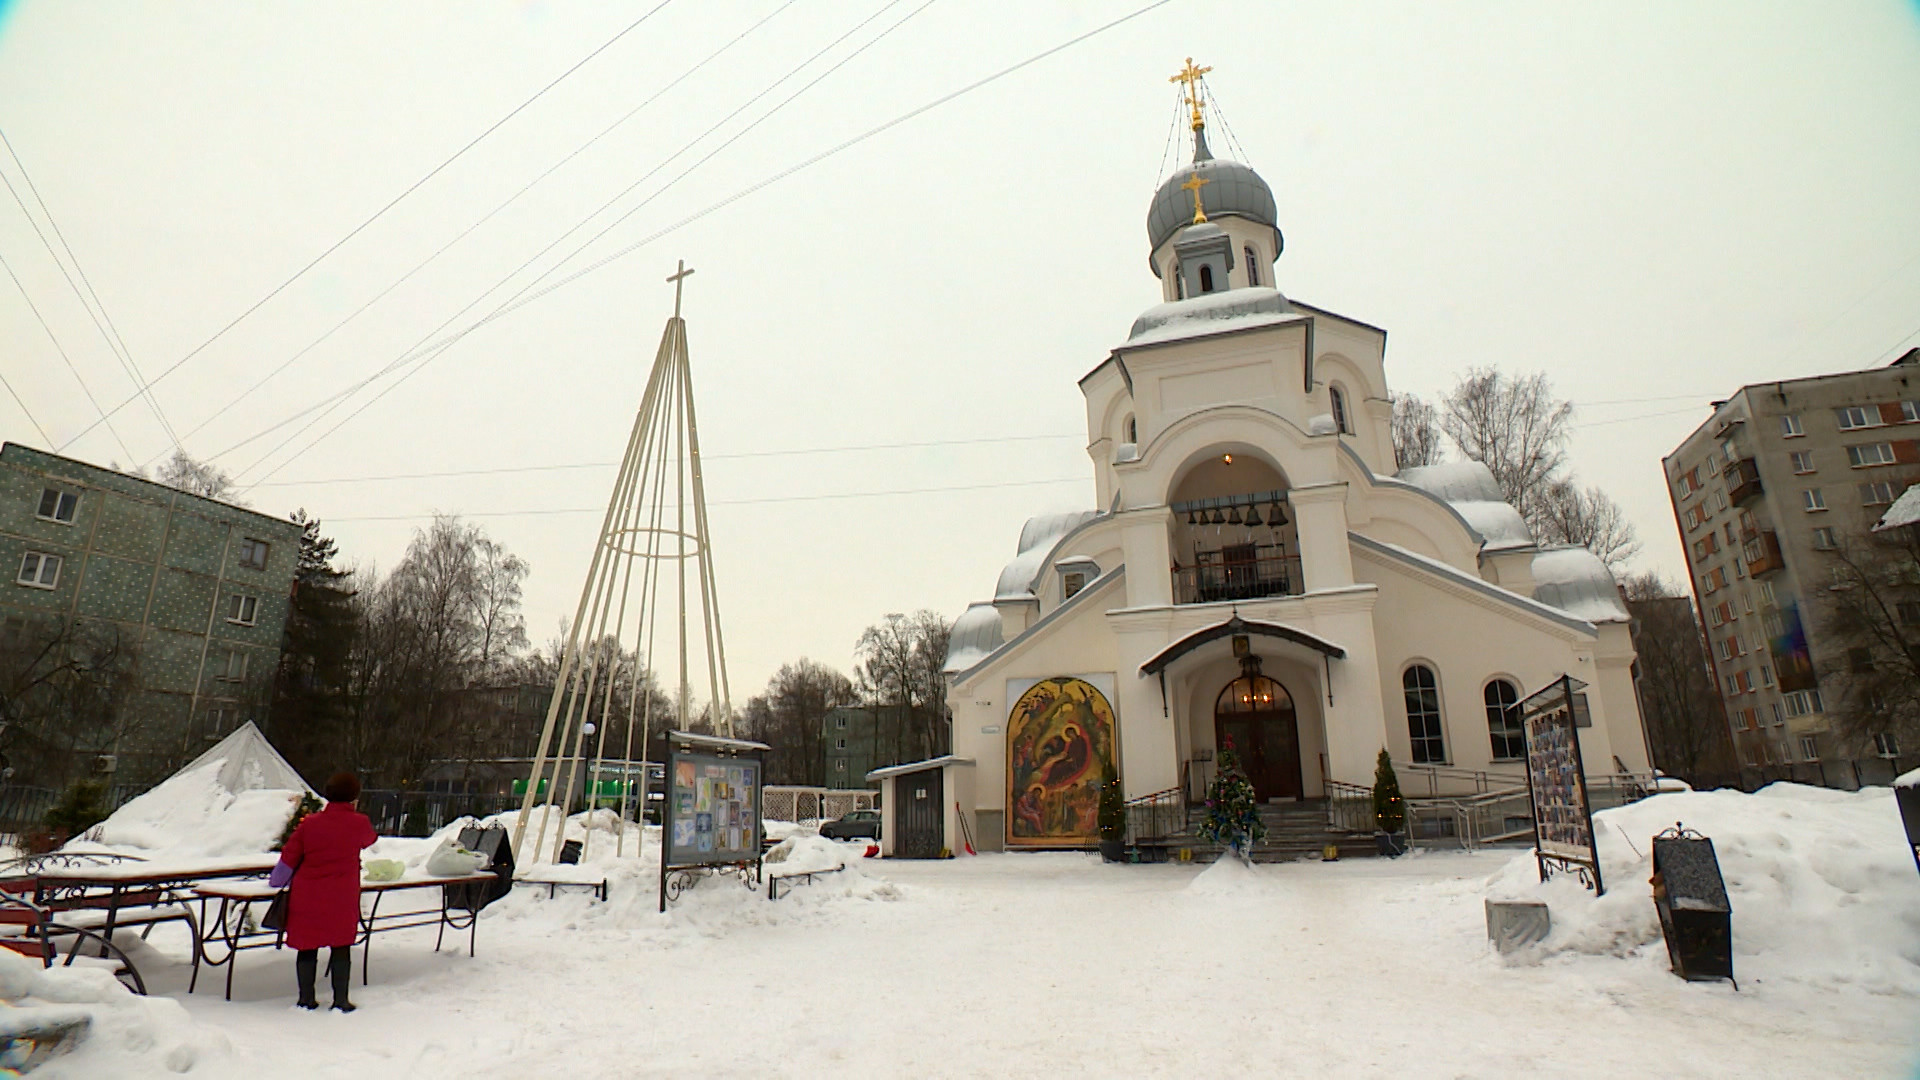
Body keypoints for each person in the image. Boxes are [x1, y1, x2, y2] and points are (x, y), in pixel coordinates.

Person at [269, 771, 377, 1011]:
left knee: (307, 947)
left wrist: (276, 882)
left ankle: (306, 998)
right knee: (341, 947)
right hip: (342, 896)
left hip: (308, 896)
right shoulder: (359, 823)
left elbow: (289, 858)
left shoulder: (310, 825)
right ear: (354, 797)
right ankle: (340, 1000)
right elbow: (369, 839)